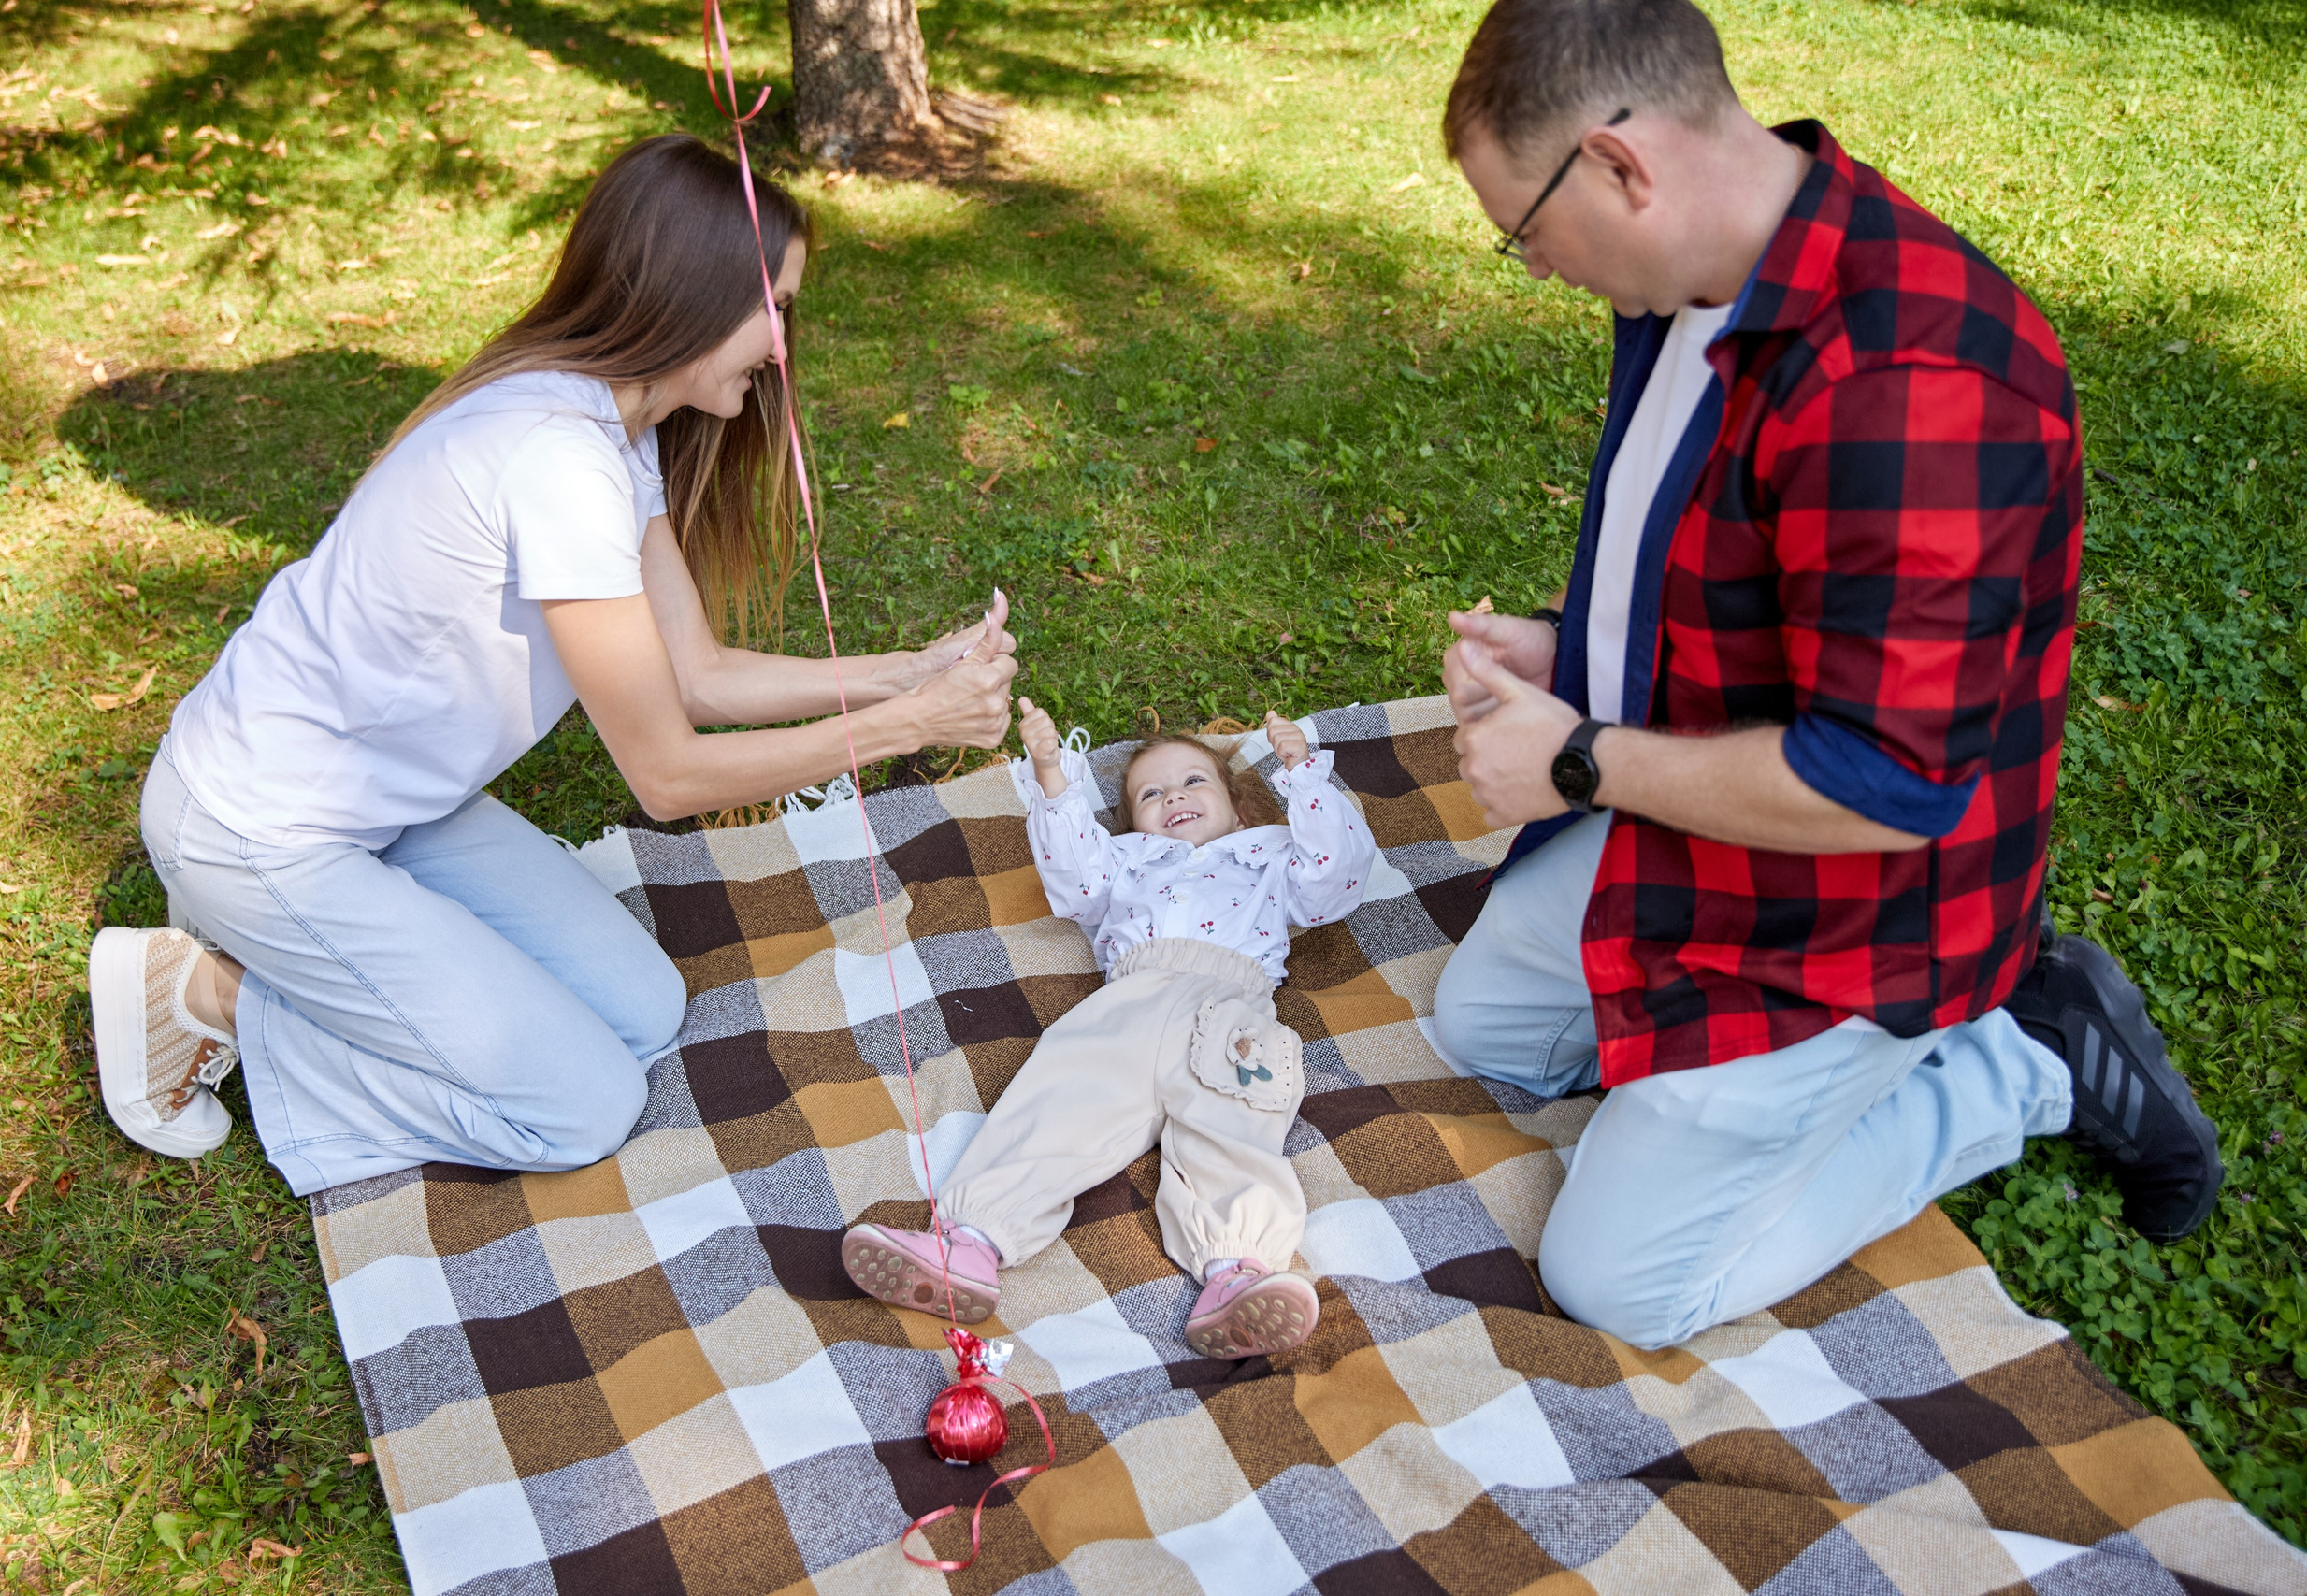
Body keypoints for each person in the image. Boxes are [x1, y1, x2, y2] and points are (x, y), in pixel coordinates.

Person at [1428, 0, 2222, 1351]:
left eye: (1525, 234)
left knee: (1620, 1280)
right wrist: (1577, 652)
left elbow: (1883, 783)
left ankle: (2016, 1052)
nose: (1539, 266)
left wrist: (1579, 757)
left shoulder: (1913, 378)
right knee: (1485, 1028)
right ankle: (1725, 1087)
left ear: (1621, 167)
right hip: (1709, 832)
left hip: (1857, 913)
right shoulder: (1699, 284)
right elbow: (1753, 580)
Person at [86, 134, 1018, 1195]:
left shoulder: (616, 428)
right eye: (774, 307)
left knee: (643, 1008)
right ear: (688, 291)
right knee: (579, 1104)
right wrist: (911, 728)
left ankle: (324, 965)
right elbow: (666, 776)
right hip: (261, 832)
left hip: (392, 808)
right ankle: (198, 993)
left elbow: (700, 674)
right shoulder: (558, 460)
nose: (783, 344)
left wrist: (910, 673)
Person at [841, 701, 1375, 1359]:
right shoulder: (1128, 862)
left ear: (1240, 809)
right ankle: (970, 1241)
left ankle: (1239, 1272)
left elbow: (1338, 875)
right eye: (1151, 793)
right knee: (1061, 1100)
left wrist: (1303, 777)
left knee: (1232, 1131)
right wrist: (1051, 775)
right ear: (1133, 822)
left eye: (1193, 782)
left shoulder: (1268, 855)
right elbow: (1075, 875)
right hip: (1130, 999)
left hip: (1231, 1012)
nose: (1173, 796)